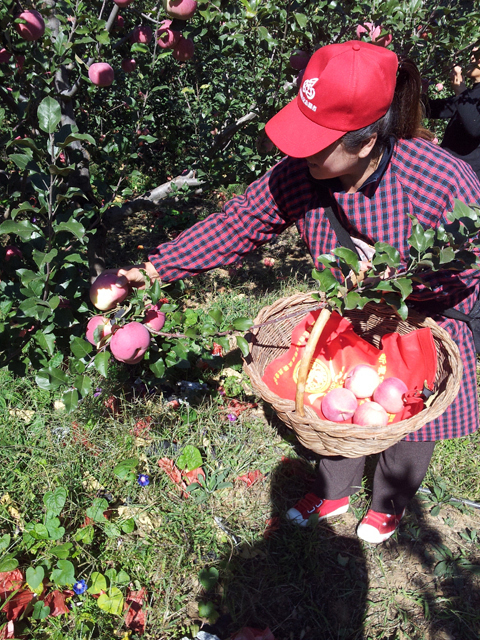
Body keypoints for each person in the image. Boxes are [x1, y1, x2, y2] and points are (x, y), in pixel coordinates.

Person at [112, 41, 480, 544]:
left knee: (409, 422)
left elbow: (470, 269)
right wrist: (154, 269)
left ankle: (389, 502)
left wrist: (397, 285)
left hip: (423, 323)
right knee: (333, 402)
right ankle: (335, 489)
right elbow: (238, 223)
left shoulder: (438, 181)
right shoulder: (300, 176)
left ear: (366, 142)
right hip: (350, 318)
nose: (297, 151)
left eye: (317, 140)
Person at [426, 47, 480, 180]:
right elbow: (435, 109)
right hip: (449, 172)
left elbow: (474, 127)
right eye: (471, 55)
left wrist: (460, 90)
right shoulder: (471, 94)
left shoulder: (468, 96)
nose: (471, 59)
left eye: (477, 55)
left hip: (466, 181)